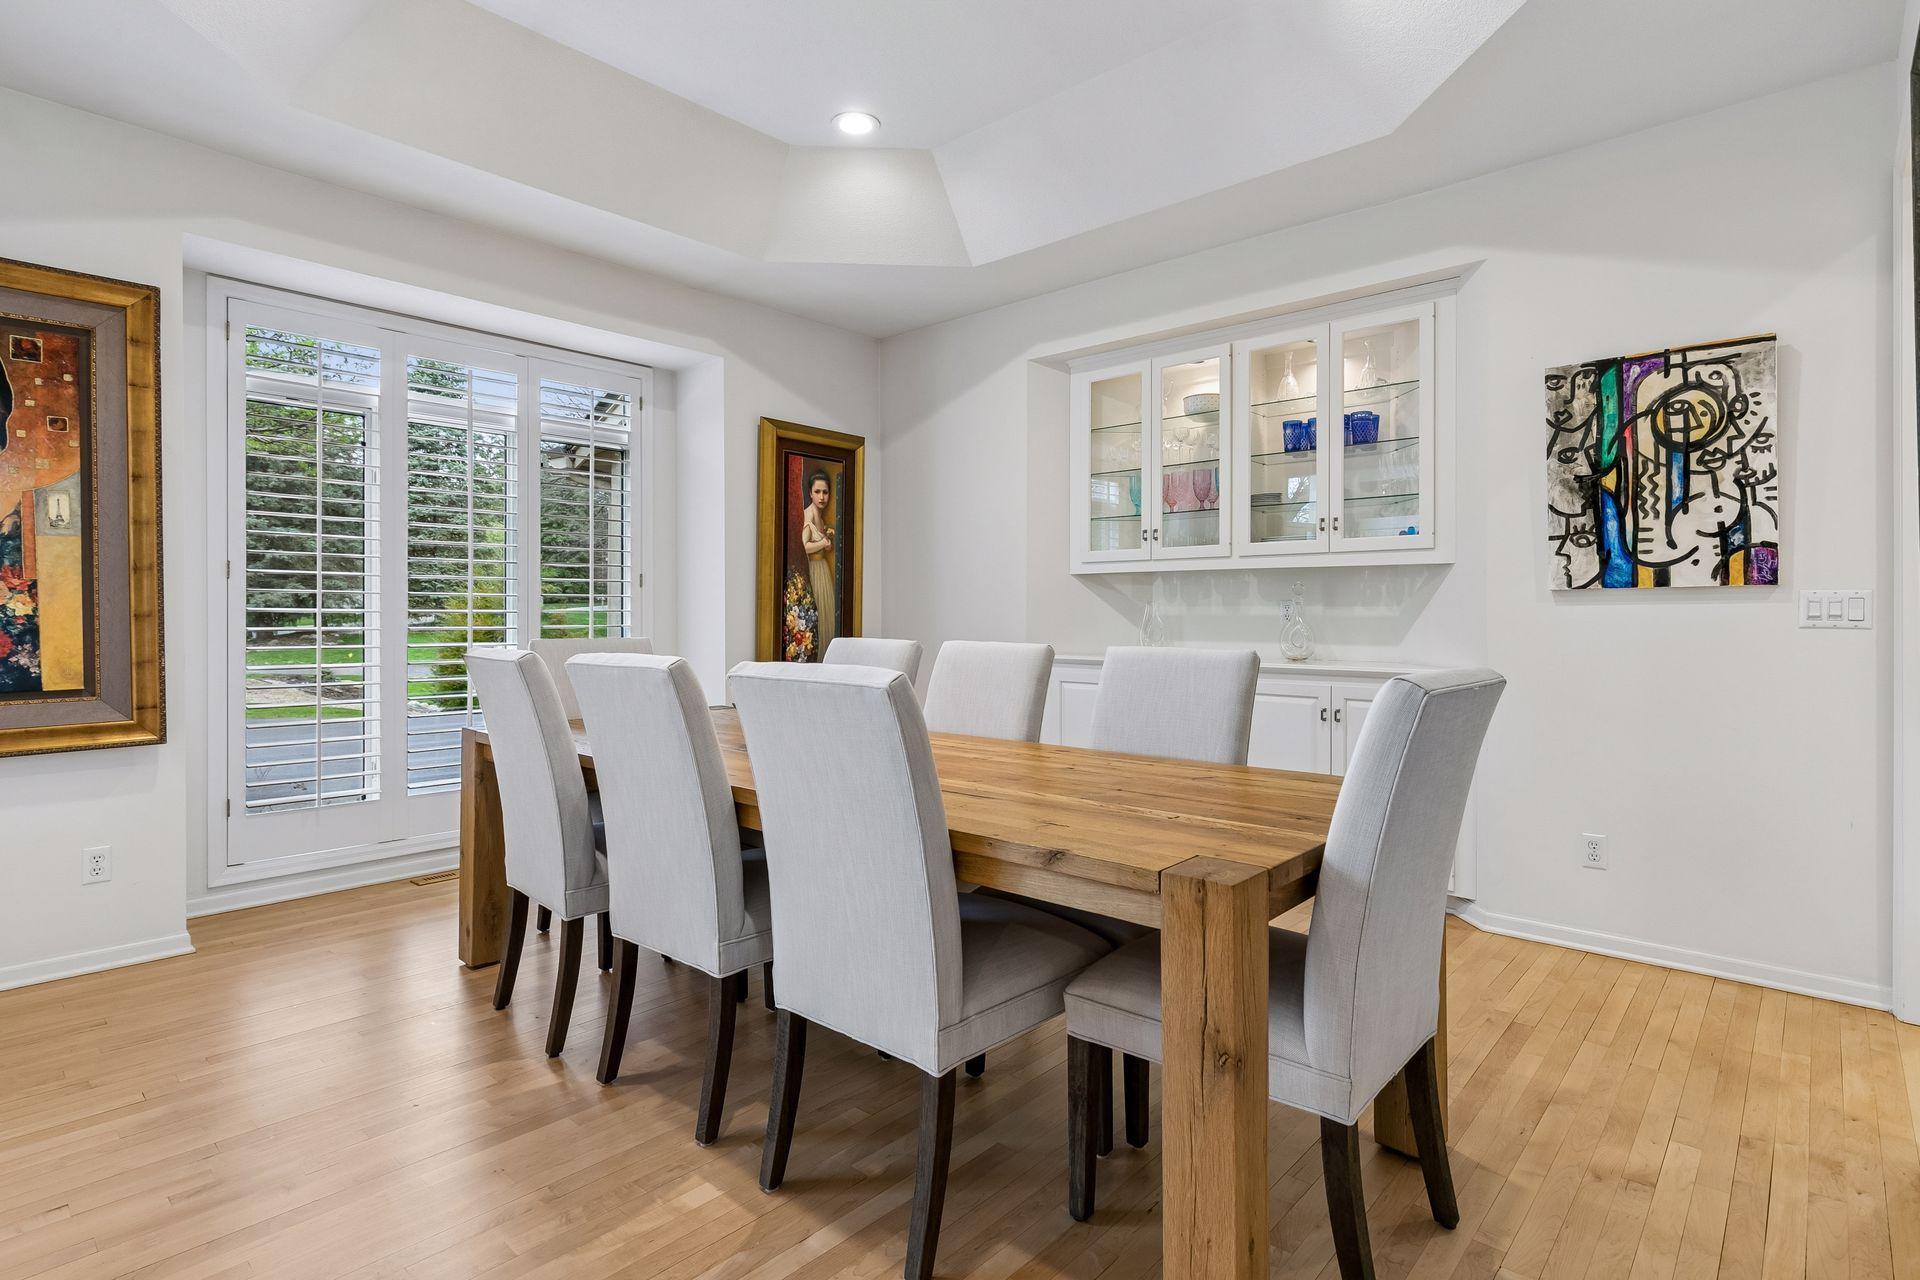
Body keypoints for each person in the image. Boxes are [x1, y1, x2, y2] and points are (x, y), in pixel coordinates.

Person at [800, 470, 837, 655]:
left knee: (827, 617)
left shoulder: (820, 518)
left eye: (825, 492)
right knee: (819, 618)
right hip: (814, 572)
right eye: (817, 492)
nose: (822, 497)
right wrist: (822, 542)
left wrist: (825, 543)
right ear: (810, 493)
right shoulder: (808, 516)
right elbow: (804, 546)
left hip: (822, 570)